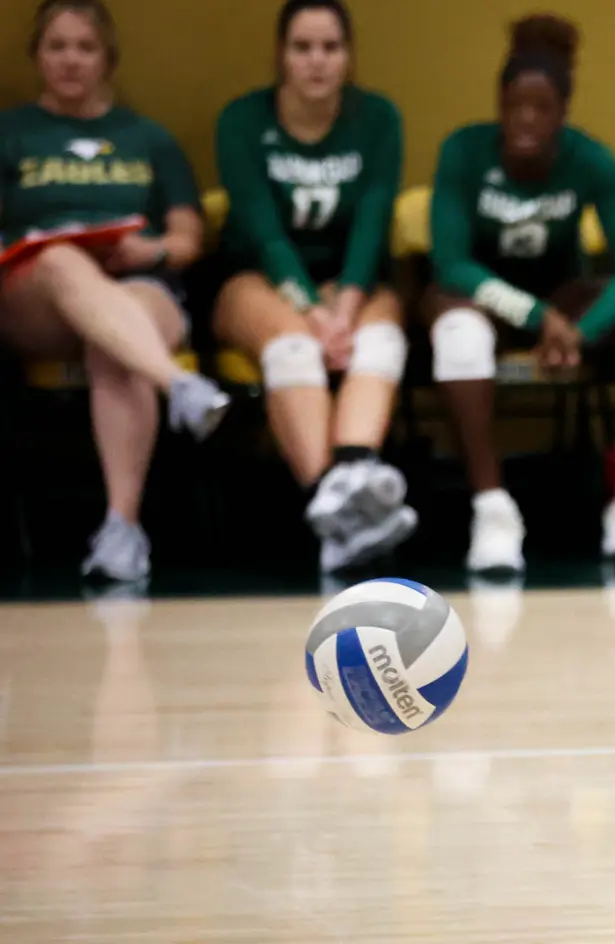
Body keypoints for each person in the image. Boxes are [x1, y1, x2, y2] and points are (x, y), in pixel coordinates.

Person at [0, 0, 231, 582]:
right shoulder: (12, 132)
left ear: (108, 58)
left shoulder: (147, 137)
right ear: (37, 57)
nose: (71, 60)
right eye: (57, 47)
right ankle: (180, 384)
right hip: (35, 293)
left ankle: (121, 532)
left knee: (117, 333)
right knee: (61, 260)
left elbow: (185, 238)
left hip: (137, 281)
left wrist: (145, 251)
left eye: (85, 47)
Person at [425, 13, 615, 573]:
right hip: (485, 299)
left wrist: (585, 328)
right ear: (498, 104)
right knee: (455, 328)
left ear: (563, 113)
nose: (525, 119)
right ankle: (492, 510)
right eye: (514, 106)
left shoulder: (590, 158)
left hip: (565, 298)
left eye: (541, 108)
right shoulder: (464, 151)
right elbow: (451, 262)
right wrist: (534, 315)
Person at [212, 0, 412, 573]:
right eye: (302, 48)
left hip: (351, 277)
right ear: (281, 55)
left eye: (330, 48)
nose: (317, 62)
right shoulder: (243, 120)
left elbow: (373, 220)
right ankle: (336, 502)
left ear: (349, 57)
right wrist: (314, 313)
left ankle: (348, 487)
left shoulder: (377, 120)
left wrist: (346, 305)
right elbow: (263, 230)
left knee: (380, 341)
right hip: (257, 275)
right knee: (295, 346)